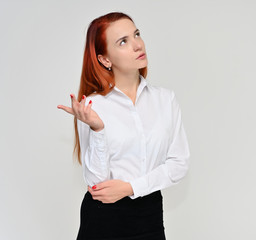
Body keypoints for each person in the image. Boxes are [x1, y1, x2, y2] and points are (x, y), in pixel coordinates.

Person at [57, 12, 190, 240]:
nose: (137, 45)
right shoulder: (92, 106)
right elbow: (97, 184)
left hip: (149, 215)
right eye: (123, 41)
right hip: (103, 219)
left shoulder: (165, 100)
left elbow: (179, 163)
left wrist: (131, 188)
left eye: (136, 34)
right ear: (105, 60)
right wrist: (98, 129)